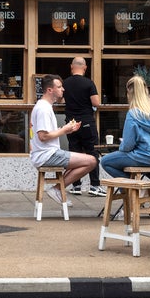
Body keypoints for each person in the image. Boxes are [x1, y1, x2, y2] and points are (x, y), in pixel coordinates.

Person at [29, 74, 97, 204]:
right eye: (59, 87)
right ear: (50, 90)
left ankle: (58, 189)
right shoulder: (44, 108)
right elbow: (43, 136)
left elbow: (46, 133)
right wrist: (64, 130)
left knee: (81, 160)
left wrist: (67, 128)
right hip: (47, 154)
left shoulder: (44, 106)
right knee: (92, 161)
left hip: (45, 153)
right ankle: (57, 189)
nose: (63, 90)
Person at [100, 75, 150, 177]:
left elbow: (128, 145)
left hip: (143, 156)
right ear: (145, 90)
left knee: (105, 161)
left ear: (129, 93)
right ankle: (134, 188)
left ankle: (130, 190)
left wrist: (121, 148)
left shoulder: (133, 114)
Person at [62, 57, 105, 197]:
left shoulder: (65, 83)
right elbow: (96, 102)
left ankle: (76, 186)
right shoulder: (89, 83)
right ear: (85, 68)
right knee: (92, 153)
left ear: (71, 67)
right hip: (86, 122)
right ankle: (94, 186)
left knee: (74, 154)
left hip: (71, 123)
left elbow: (61, 100)